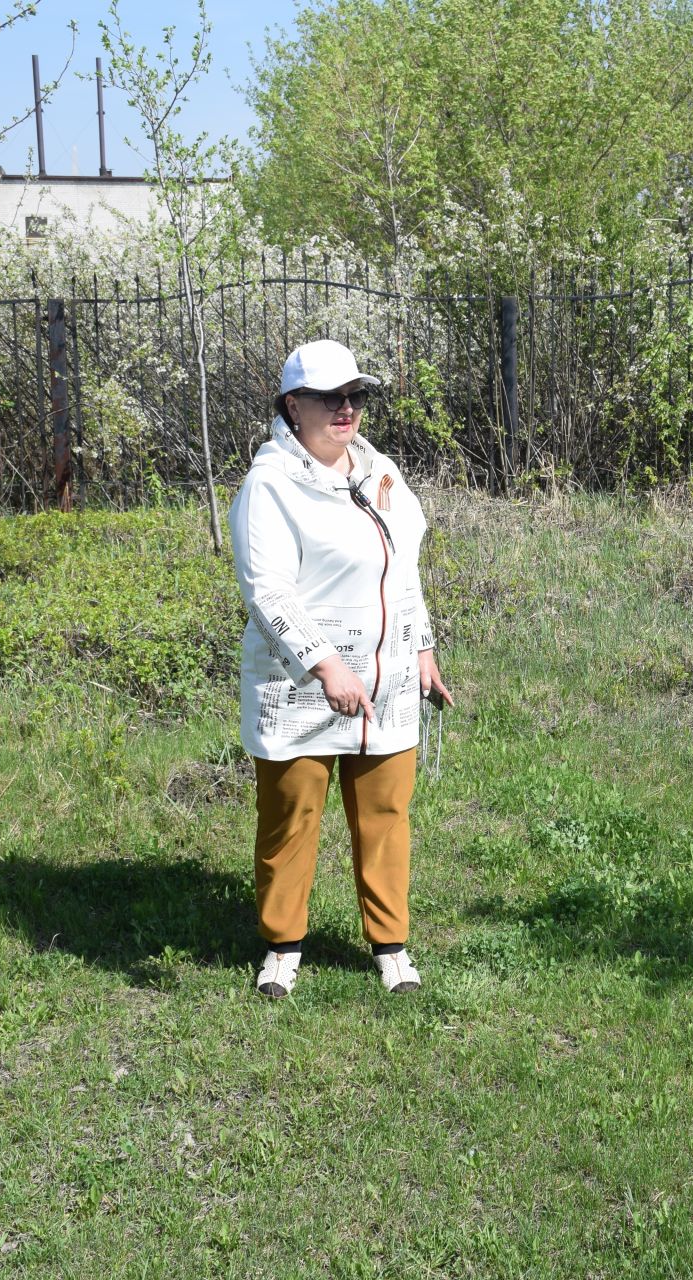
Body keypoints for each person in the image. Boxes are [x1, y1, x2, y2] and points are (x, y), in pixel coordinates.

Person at [228, 339, 453, 998]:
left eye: (356, 396)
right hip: (300, 686)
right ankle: (281, 948)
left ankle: (390, 948)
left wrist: (422, 647)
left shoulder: (380, 474)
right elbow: (267, 589)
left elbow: (402, 573)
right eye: (331, 398)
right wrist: (325, 664)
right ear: (293, 405)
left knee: (386, 813)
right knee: (291, 815)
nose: (347, 409)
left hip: (386, 681)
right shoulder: (269, 485)